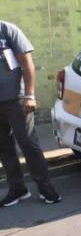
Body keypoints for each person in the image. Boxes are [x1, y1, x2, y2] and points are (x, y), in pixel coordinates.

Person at [0, 21, 61, 206]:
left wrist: (29, 95)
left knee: (28, 144)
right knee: (4, 148)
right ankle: (17, 188)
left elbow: (27, 63)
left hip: (17, 100)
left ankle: (45, 187)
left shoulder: (7, 30)